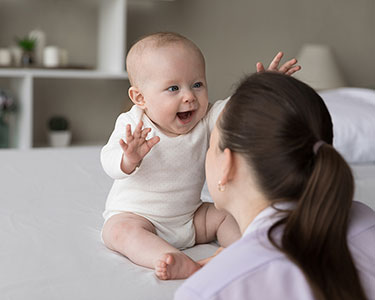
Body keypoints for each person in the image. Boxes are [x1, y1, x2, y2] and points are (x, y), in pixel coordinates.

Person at [100, 32, 300, 280]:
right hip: (139, 216)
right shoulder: (133, 124)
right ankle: (173, 259)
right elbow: (108, 160)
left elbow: (236, 110)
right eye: (173, 88)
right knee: (117, 232)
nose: (189, 96)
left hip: (191, 217)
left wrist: (262, 89)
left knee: (227, 214)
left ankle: (243, 250)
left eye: (197, 84)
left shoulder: (206, 120)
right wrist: (129, 158)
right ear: (140, 98)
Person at [175, 72, 375, 299]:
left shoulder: (210, 291)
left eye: (210, 145)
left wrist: (234, 268)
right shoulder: (367, 221)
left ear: (227, 165)